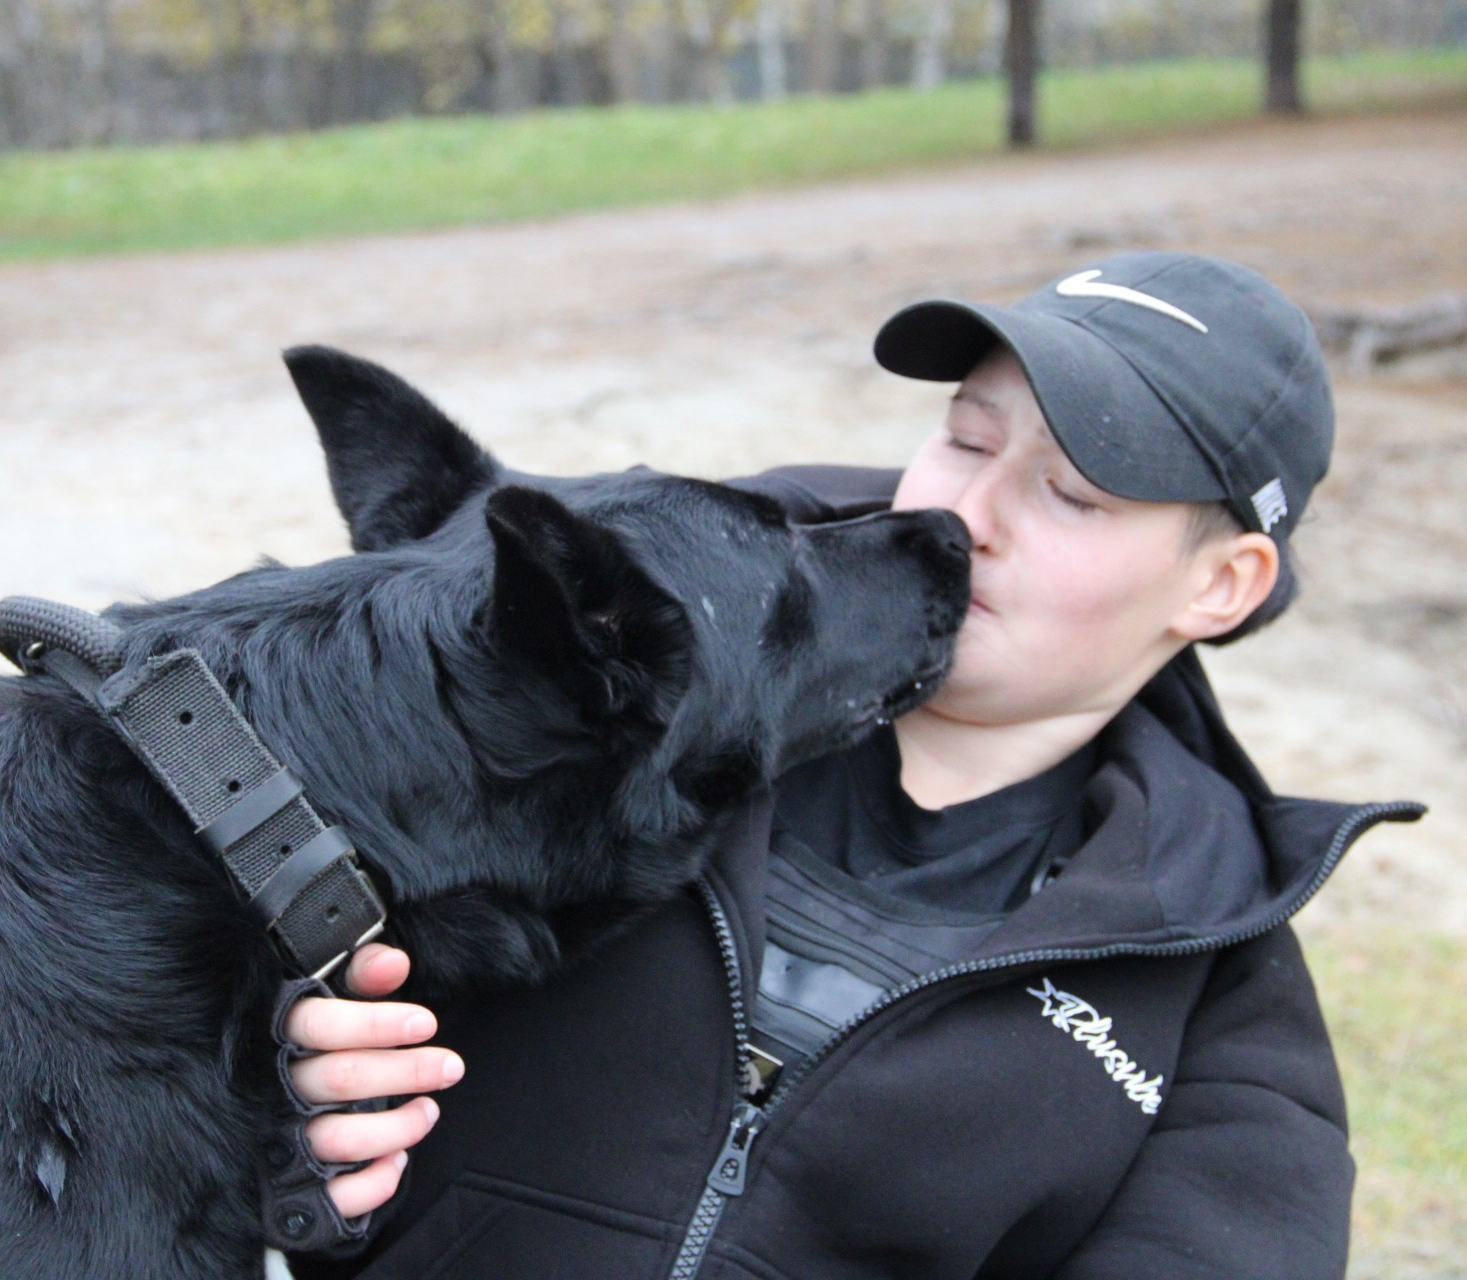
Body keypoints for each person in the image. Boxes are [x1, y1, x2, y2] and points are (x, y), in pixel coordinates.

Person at [262, 251, 1425, 1278]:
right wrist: (278, 1093)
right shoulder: (621, 680)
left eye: (1071, 491)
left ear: (1220, 584)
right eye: (966, 437)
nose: (971, 513)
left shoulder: (1207, 984)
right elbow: (224, 937)